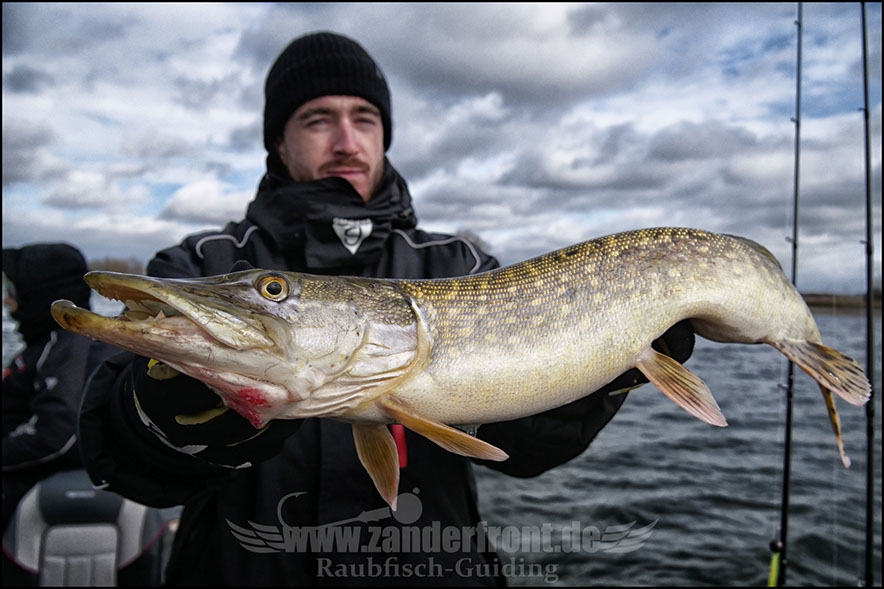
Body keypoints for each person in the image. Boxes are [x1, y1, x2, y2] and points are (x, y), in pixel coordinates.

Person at [78, 31, 694, 585]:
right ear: (279, 140)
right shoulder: (203, 264)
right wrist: (167, 410)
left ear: (384, 135)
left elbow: (531, 452)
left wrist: (602, 373)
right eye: (319, 119)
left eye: (365, 119)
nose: (347, 141)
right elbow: (124, 462)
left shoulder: (457, 265)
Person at [2, 243, 95, 532]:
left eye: (13, 292)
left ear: (39, 294)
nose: (7, 302)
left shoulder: (69, 345)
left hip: (25, 490)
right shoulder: (43, 343)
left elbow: (56, 433)